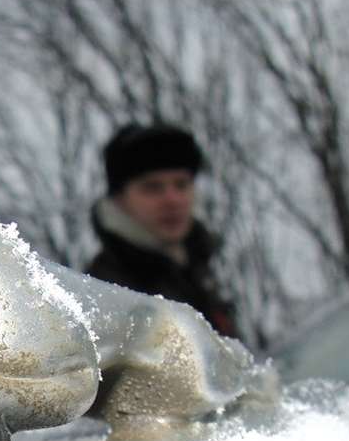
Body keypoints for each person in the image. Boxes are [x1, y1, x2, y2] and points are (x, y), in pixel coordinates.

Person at [86, 123, 238, 338]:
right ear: (120, 200)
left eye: (181, 184)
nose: (172, 200)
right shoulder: (107, 291)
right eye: (152, 188)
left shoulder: (197, 267)